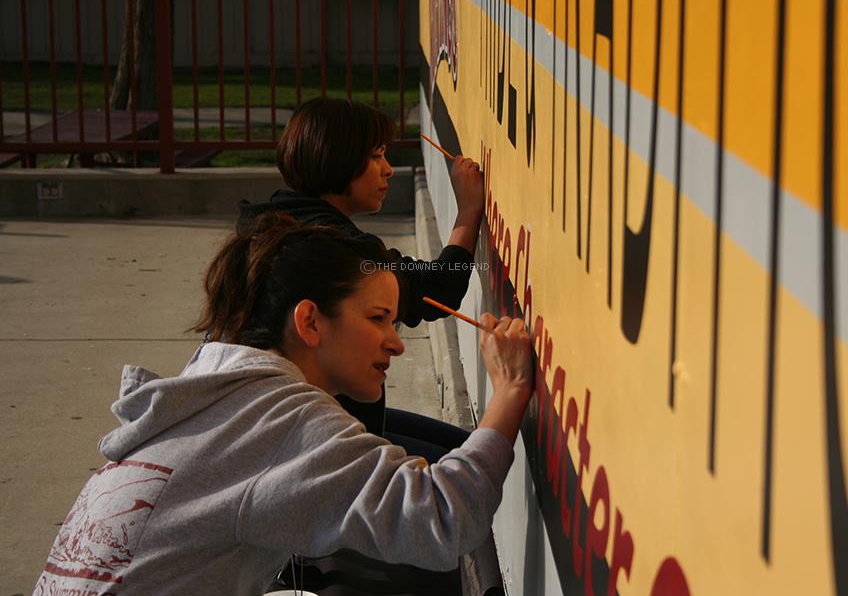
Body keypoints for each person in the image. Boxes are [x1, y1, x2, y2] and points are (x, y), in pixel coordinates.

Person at [34, 213, 533, 595]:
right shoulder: (277, 418)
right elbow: (443, 519)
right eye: (379, 317)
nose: (395, 342)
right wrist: (509, 390)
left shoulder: (215, 387)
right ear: (311, 322)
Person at [238, 97, 485, 447]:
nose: (387, 168)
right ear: (336, 159)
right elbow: (437, 290)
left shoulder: (272, 222)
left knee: (459, 446)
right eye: (374, 156)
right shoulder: (337, 251)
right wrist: (469, 211)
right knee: (466, 465)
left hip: (272, 415)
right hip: (307, 438)